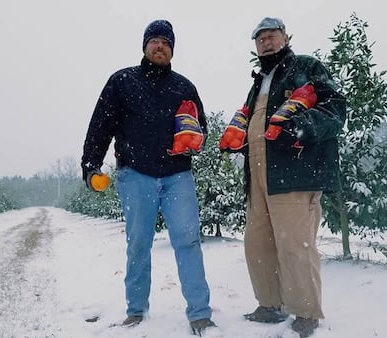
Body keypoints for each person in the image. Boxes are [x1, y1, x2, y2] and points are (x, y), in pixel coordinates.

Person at [81, 19, 216, 336]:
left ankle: (200, 314)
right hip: (136, 175)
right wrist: (91, 165)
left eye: (166, 42)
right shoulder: (122, 81)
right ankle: (136, 310)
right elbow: (100, 125)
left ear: (172, 50)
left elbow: (201, 128)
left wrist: (195, 138)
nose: (160, 46)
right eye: (154, 40)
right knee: (139, 244)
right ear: (145, 46)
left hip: (177, 176)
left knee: (189, 242)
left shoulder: (184, 87)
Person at [234, 17, 347, 338]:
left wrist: (300, 128)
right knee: (258, 243)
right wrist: (239, 139)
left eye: (272, 36)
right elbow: (252, 121)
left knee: (295, 245)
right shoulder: (259, 81)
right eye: (261, 39)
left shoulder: (306, 67)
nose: (266, 42)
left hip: (295, 170)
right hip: (258, 173)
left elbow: (336, 107)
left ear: (286, 38)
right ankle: (270, 304)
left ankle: (305, 311)